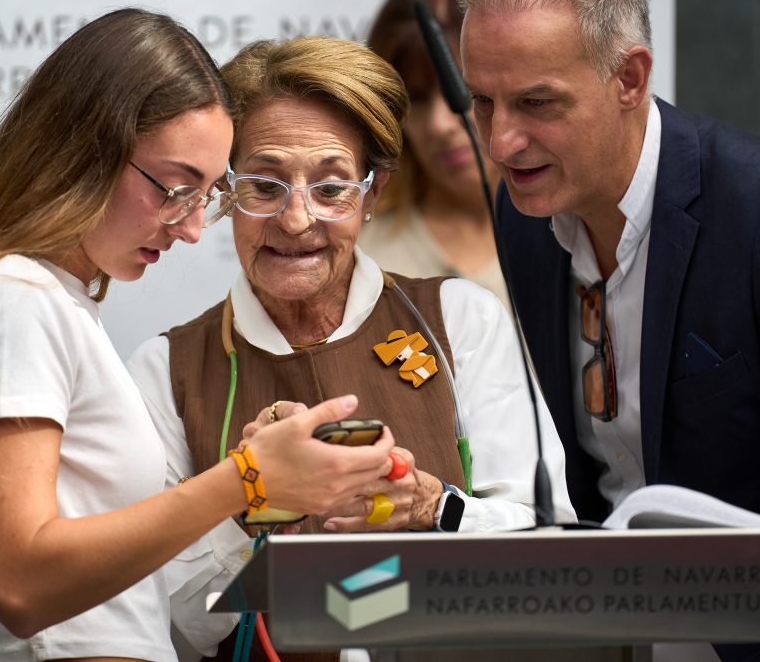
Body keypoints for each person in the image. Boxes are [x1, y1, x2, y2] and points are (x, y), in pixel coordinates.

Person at [0, 9, 396, 662]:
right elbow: (21, 584)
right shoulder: (11, 299)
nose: (192, 228)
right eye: (175, 188)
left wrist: (251, 487)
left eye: (204, 196)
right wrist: (247, 478)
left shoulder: (48, 301)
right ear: (87, 147)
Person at [126, 34, 576, 660]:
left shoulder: (458, 321)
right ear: (225, 191)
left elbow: (551, 555)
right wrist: (248, 499)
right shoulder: (166, 373)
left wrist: (429, 506)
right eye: (264, 184)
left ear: (375, 192)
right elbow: (176, 630)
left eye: (332, 188)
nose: (295, 220)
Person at [457, 0, 760, 660]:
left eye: (536, 103)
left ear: (629, 77)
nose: (499, 140)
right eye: (481, 101)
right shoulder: (524, 217)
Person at [359, 0, 510, 307]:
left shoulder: (572, 232)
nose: (440, 125)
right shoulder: (359, 255)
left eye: (462, 90)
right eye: (416, 99)